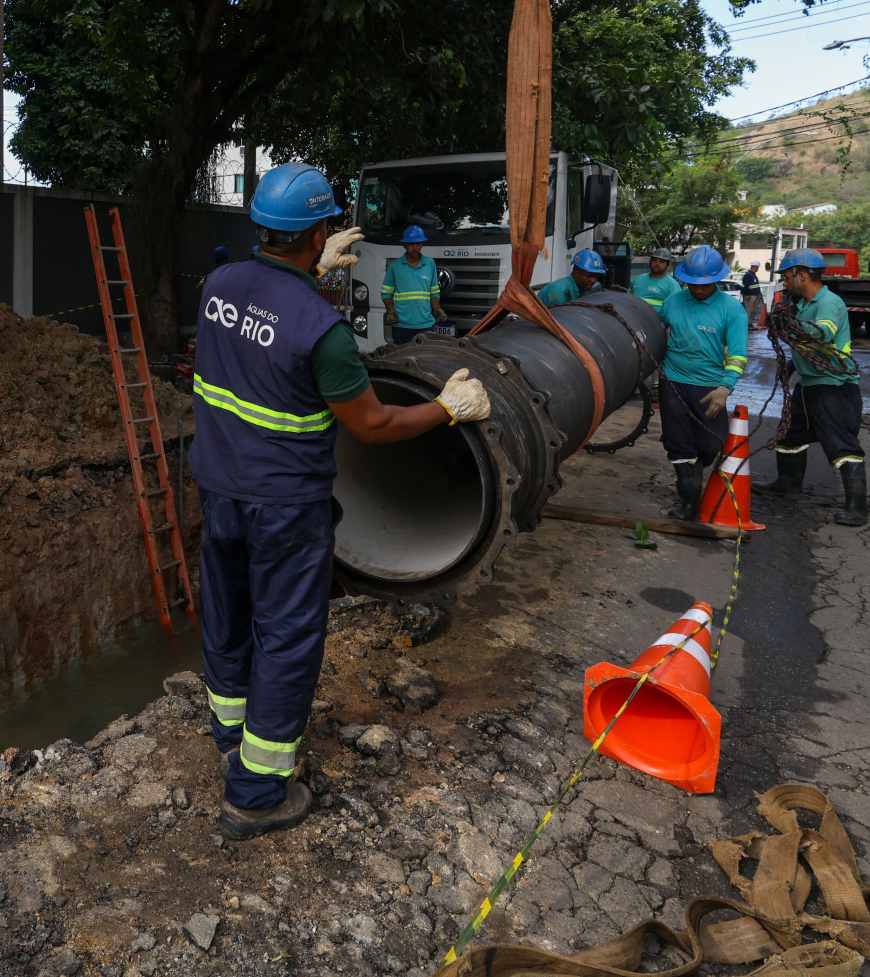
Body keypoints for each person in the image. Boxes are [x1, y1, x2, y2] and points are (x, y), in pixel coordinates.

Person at [190, 162, 491, 839]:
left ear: (263, 228)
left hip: (219, 489)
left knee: (228, 616)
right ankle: (257, 792)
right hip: (285, 508)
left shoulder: (217, 287)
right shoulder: (321, 329)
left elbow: (256, 316)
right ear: (320, 230)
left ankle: (228, 736)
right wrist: (447, 408)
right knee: (288, 636)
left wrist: (304, 269)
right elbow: (374, 424)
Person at [754, 247, 867, 525]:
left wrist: (788, 326)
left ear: (801, 275)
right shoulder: (803, 304)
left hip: (833, 387)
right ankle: (788, 485)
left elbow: (822, 333)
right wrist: (793, 365)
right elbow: (806, 345)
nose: (784, 282)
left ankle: (857, 508)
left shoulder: (829, 303)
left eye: (787, 277)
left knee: (842, 445)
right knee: (789, 435)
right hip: (810, 384)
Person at [656, 246, 750, 519]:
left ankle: (694, 478)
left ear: (717, 280)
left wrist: (725, 387)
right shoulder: (673, 301)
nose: (698, 289)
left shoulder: (733, 310)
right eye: (693, 284)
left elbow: (738, 354)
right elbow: (654, 329)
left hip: (710, 388)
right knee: (679, 443)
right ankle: (689, 504)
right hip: (672, 382)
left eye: (705, 284)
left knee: (710, 445)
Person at [382, 226, 447, 344]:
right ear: (404, 245)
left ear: (422, 244)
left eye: (418, 244)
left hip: (426, 324)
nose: (415, 248)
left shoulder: (430, 263)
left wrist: (437, 309)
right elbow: (386, 293)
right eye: (411, 244)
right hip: (401, 325)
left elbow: (434, 291)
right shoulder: (394, 266)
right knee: (403, 358)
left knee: (425, 358)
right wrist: (391, 311)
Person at [537, 248, 607, 306]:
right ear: (575, 273)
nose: (593, 281)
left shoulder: (583, 288)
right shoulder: (559, 293)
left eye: (596, 277)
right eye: (589, 276)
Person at [740, 261, 763, 330]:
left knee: (753, 310)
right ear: (756, 267)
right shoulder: (748, 275)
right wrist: (746, 294)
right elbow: (745, 285)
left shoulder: (753, 275)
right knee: (749, 310)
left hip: (755, 294)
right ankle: (746, 324)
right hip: (751, 295)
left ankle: (750, 323)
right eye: (758, 267)